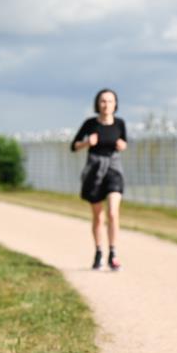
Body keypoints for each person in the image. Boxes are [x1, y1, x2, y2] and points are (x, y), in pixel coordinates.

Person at [70, 89, 128, 270]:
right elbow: (74, 146)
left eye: (110, 101)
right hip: (94, 169)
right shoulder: (90, 124)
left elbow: (124, 143)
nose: (106, 105)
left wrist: (123, 145)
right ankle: (98, 251)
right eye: (103, 101)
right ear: (98, 104)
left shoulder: (120, 124)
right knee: (98, 216)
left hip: (113, 168)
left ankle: (113, 252)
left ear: (115, 104)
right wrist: (87, 142)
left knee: (112, 212)